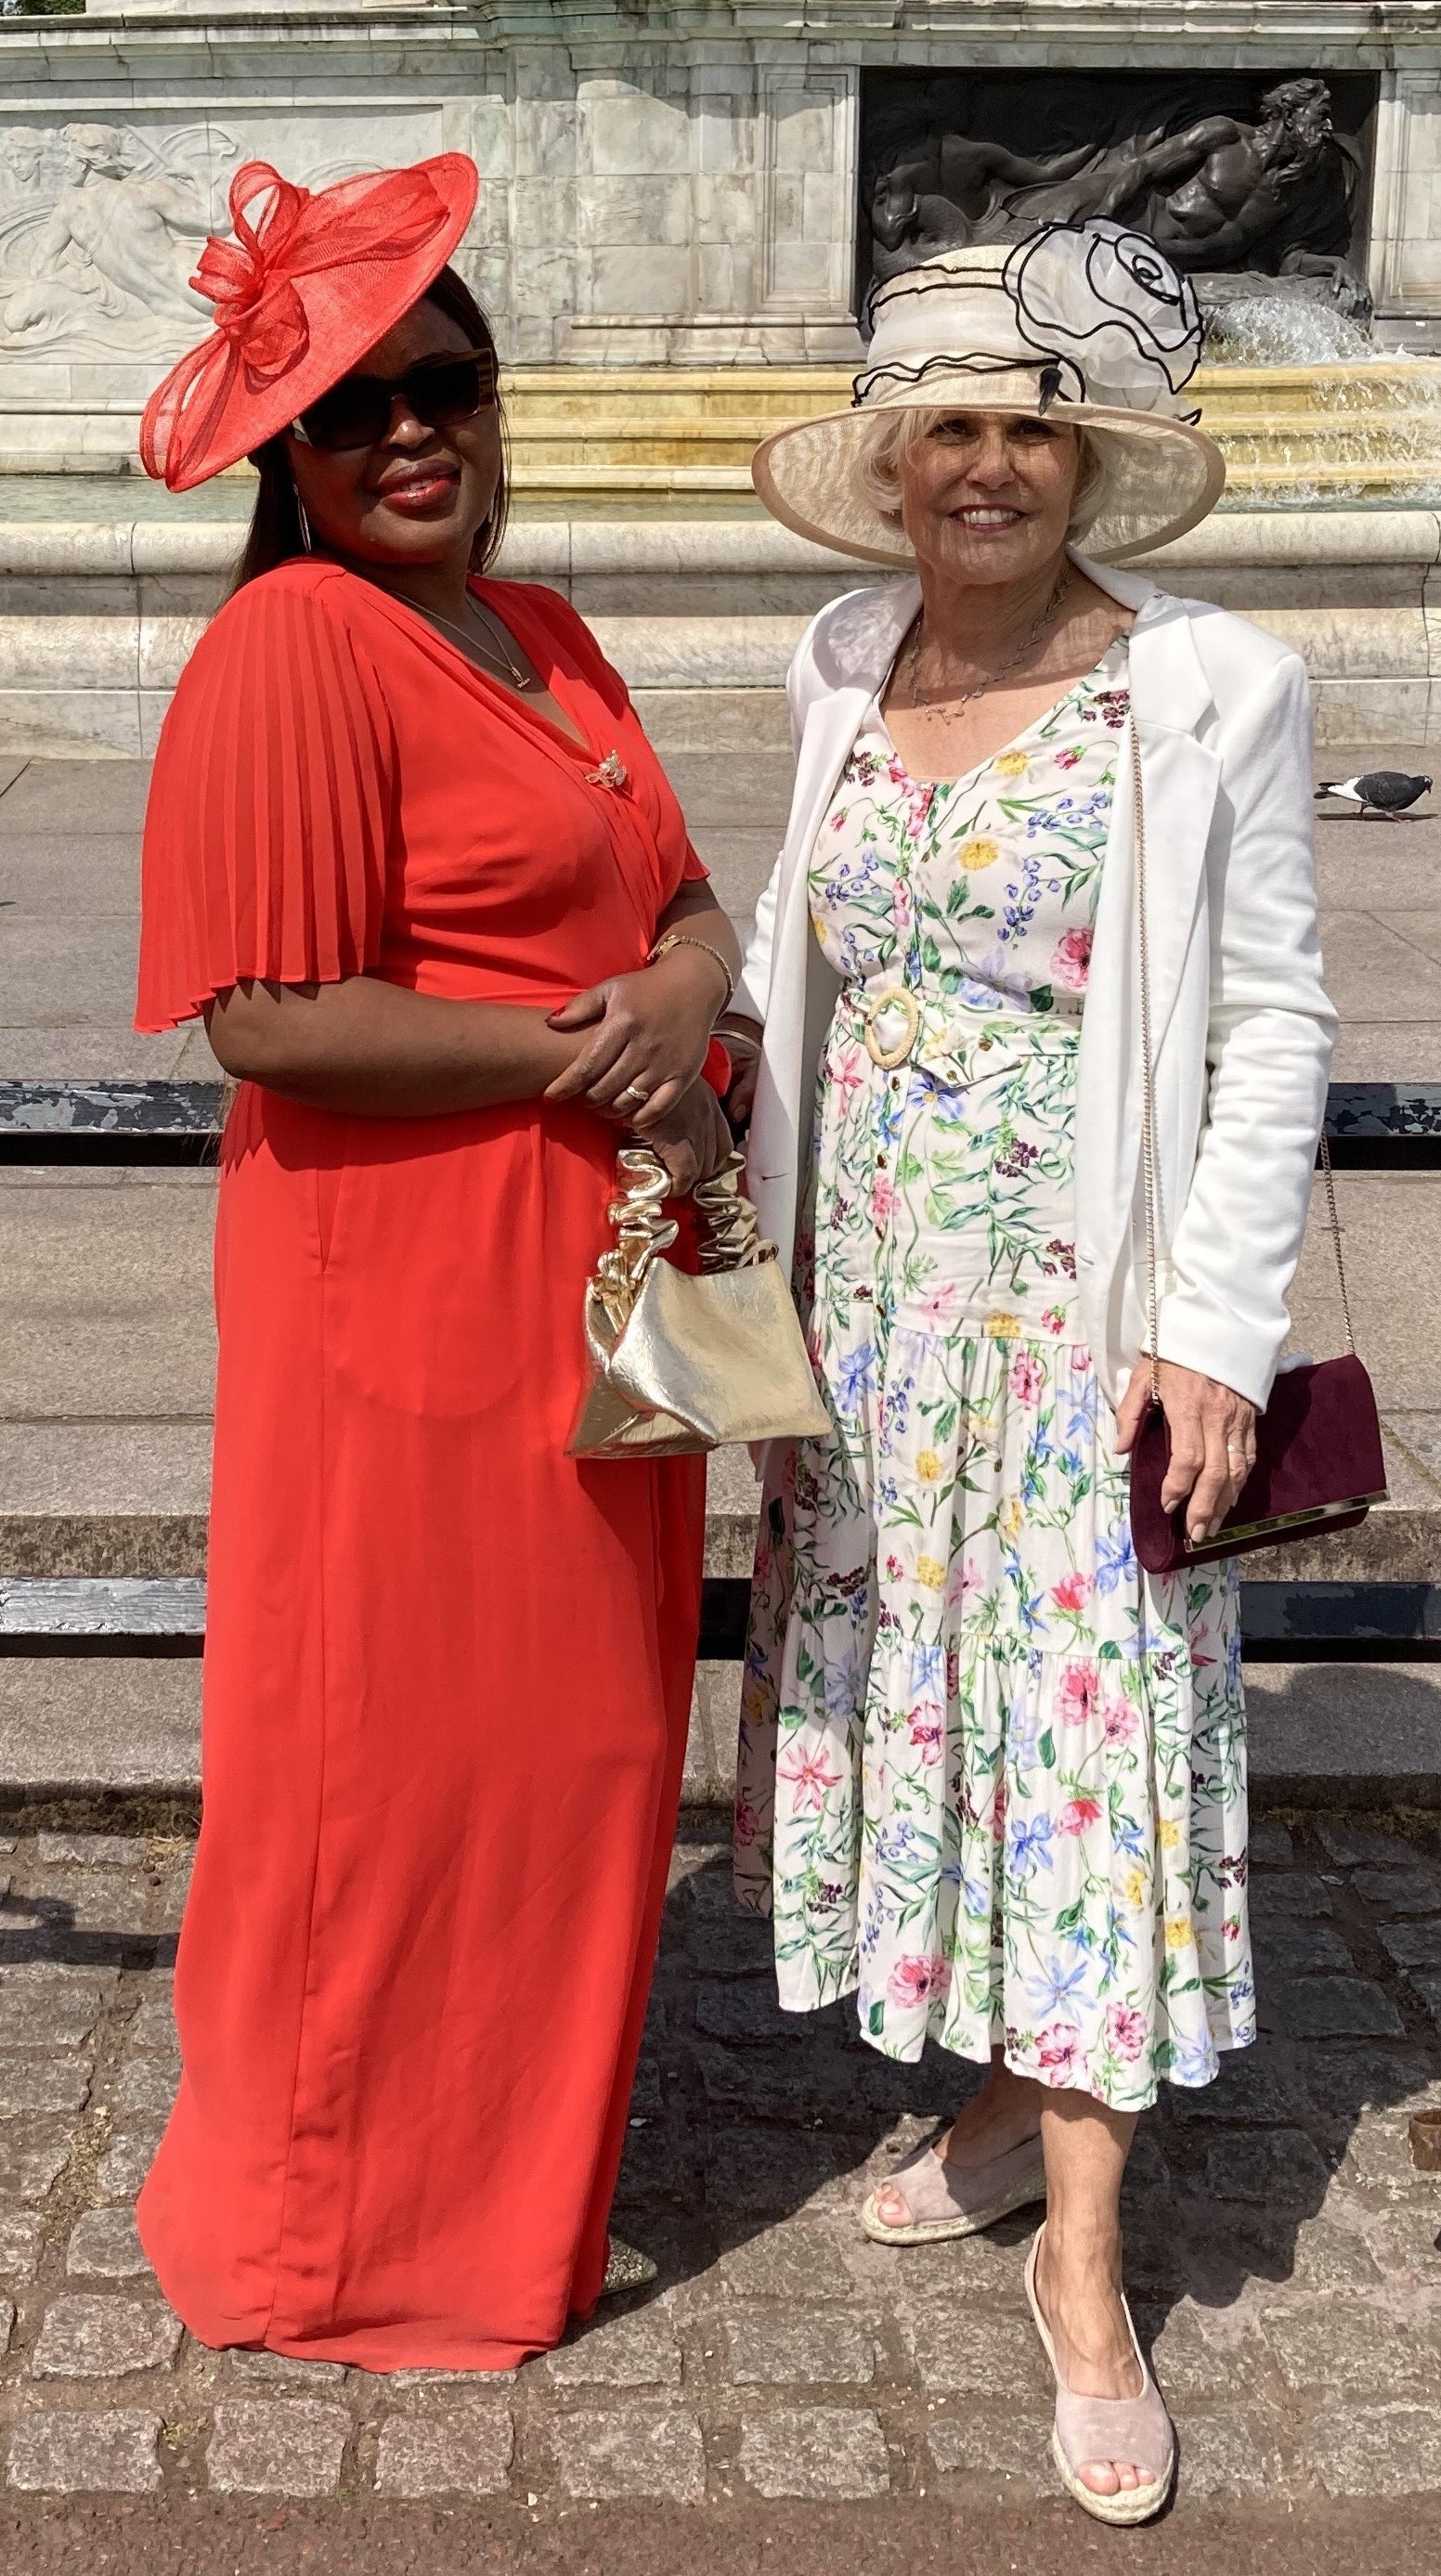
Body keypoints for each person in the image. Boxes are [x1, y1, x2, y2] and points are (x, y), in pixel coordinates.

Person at [726, 229, 1335, 2524]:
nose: (984, 466)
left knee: (1080, 1761)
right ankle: (989, 2100)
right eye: (945, 428)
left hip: (1081, 1336)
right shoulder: (834, 661)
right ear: (888, 466)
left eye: (1025, 426)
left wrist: (1213, 1325)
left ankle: (1083, 2273)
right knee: (944, 1722)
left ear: (1084, 456)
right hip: (866, 1326)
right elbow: (814, 980)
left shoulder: (1206, 687)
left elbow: (1271, 1018)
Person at [132, 153, 738, 2370]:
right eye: (351, 407)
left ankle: (503, 2207)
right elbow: (269, 1017)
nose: (407, 434)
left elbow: (680, 890)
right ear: (285, 458)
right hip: (401, 1295)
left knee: (569, 1758)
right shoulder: (293, 640)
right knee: (389, 1762)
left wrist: (684, 979)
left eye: (444, 387)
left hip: (603, 1286)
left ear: (497, 406)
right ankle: (334, 2238)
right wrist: (589, 1046)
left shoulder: (545, 627)